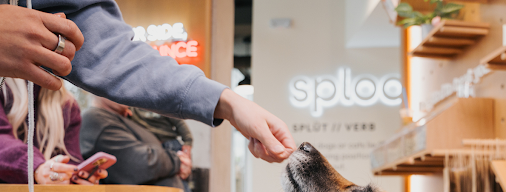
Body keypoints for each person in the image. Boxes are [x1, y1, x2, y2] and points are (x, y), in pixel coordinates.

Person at [0, 0, 295, 164]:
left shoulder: (68, 109)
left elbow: (108, 51)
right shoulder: (98, 119)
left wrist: (226, 102)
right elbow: (140, 164)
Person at [0, 78, 107, 185]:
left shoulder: (68, 105)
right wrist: (35, 167)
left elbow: (69, 158)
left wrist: (75, 177)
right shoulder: (3, 86)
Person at [130, 107, 197, 192]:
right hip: (151, 145)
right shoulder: (133, 108)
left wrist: (188, 144)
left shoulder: (162, 104)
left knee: (179, 177)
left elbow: (180, 124)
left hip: (169, 143)